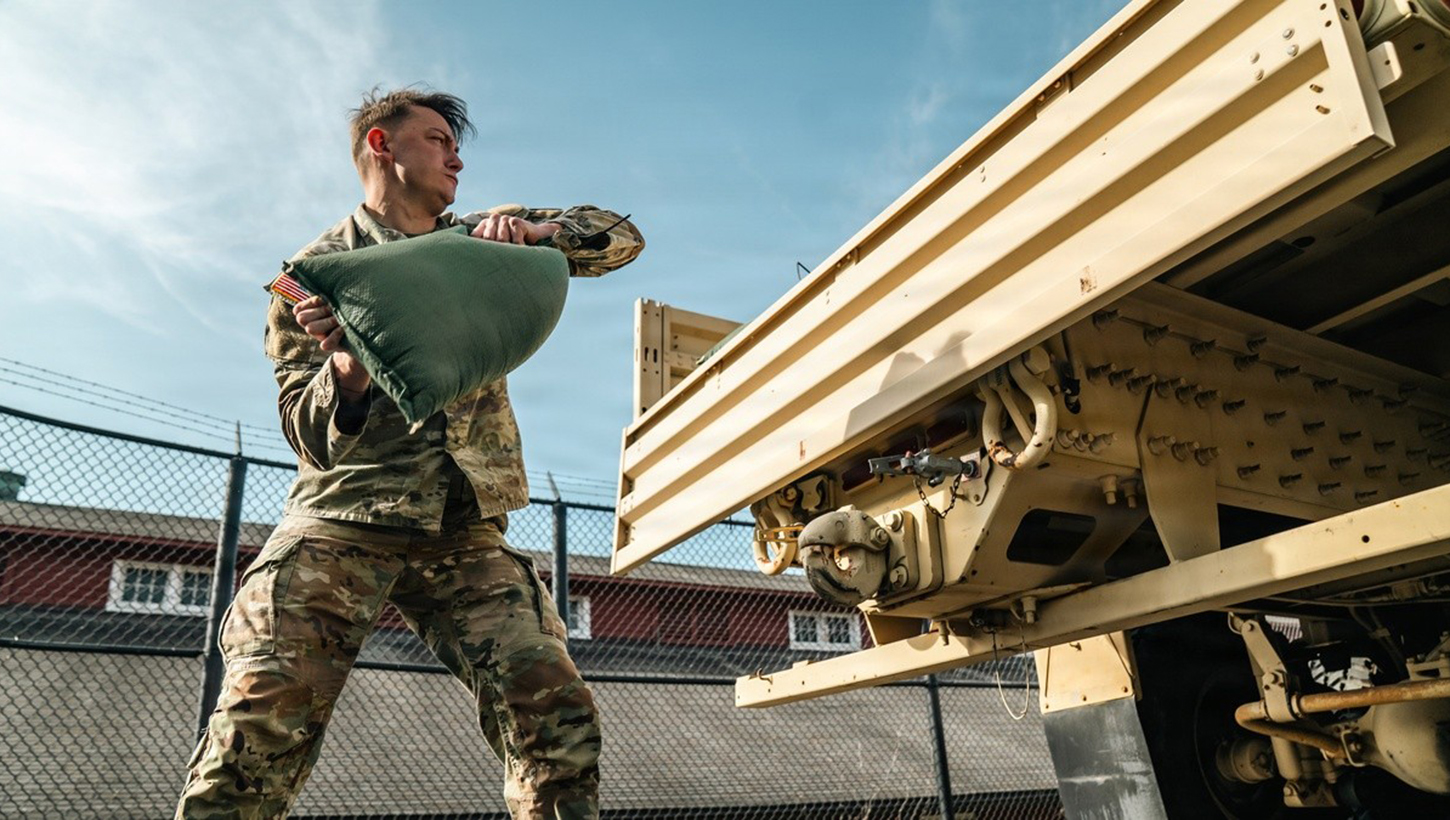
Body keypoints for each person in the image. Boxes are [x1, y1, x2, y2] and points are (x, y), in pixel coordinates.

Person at [176, 88, 643, 820]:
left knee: (557, 726)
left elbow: (620, 238)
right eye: (435, 138)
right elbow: (305, 431)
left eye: (456, 145)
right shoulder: (307, 275)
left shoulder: (476, 245)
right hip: (340, 526)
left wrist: (538, 230)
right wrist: (349, 369)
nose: (456, 156)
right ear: (380, 145)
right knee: (253, 743)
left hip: (465, 530)